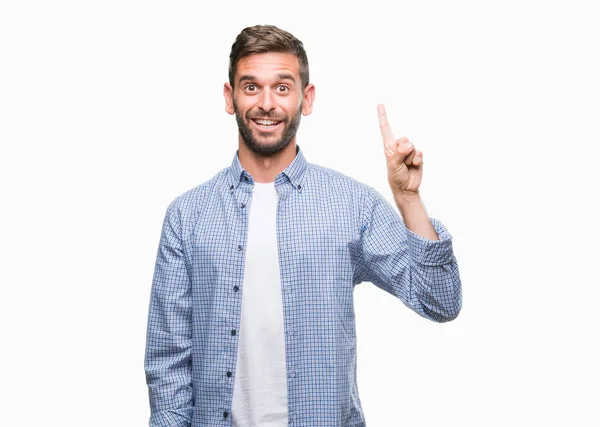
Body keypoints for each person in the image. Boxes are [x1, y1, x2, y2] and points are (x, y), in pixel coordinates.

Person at [144, 24, 462, 427]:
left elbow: (441, 301)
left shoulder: (352, 204)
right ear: (230, 97)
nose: (266, 103)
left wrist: (408, 200)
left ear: (305, 99)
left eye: (282, 87)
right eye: (250, 87)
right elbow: (168, 357)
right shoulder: (187, 216)